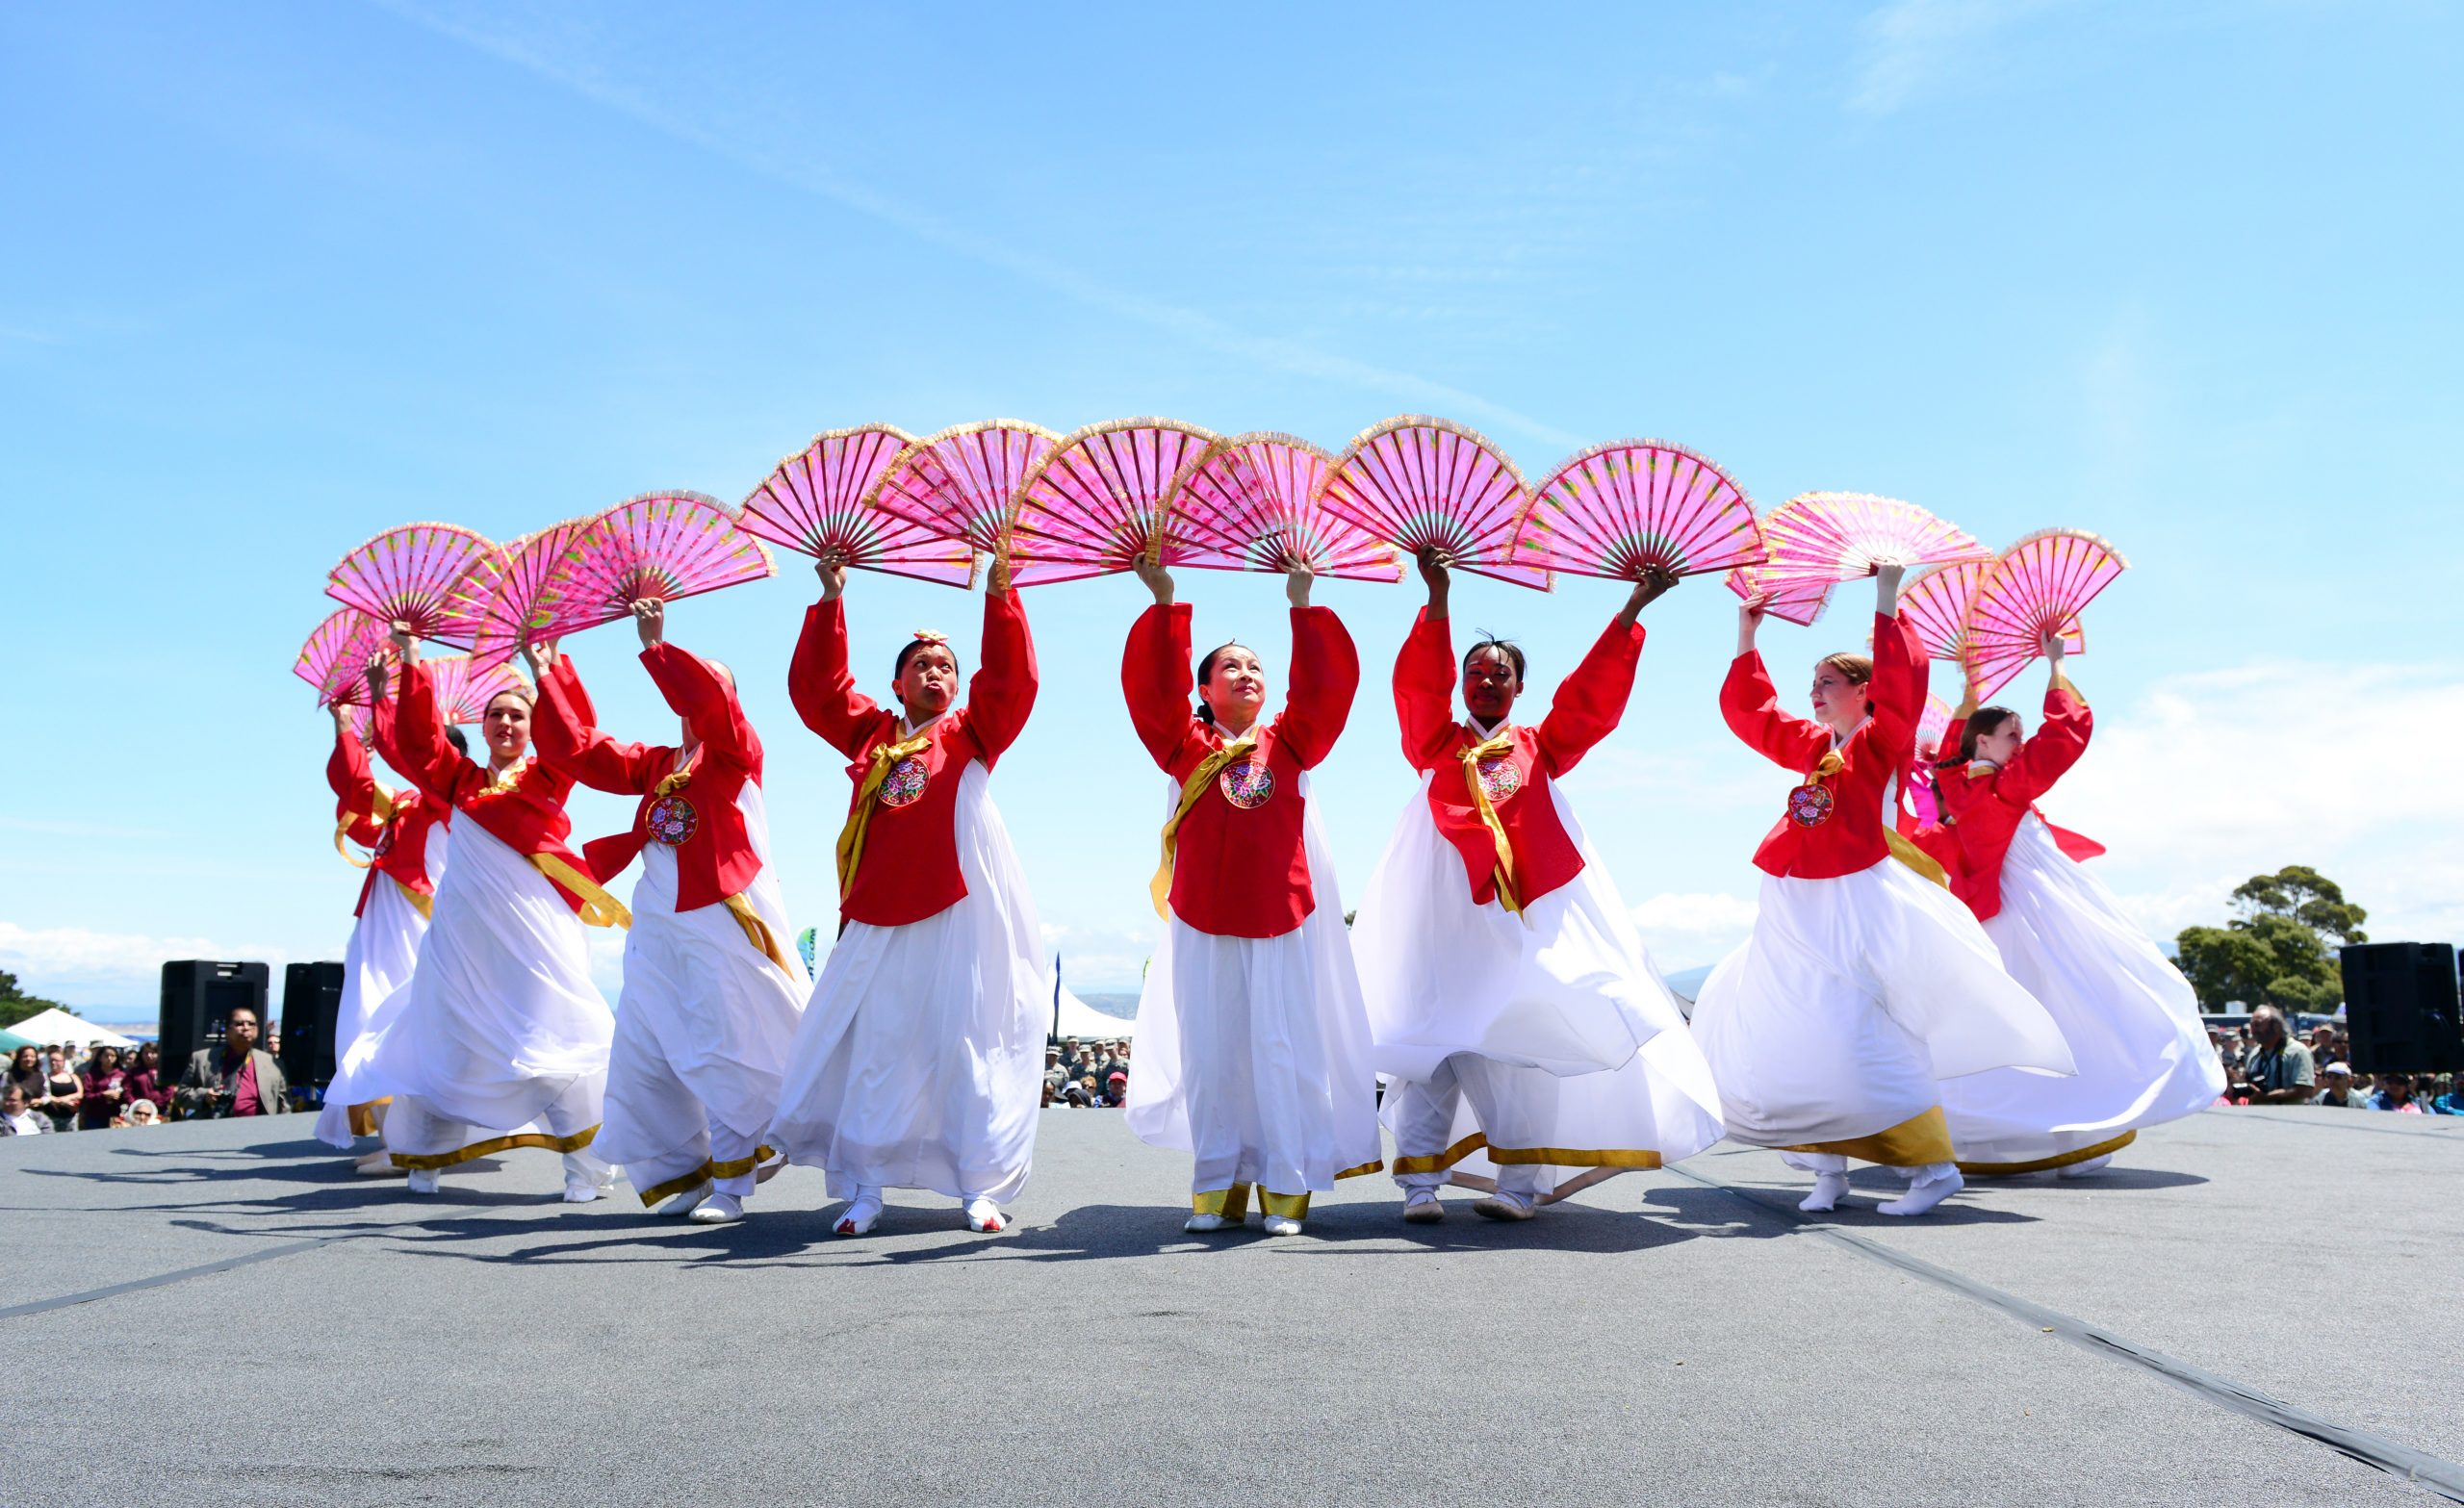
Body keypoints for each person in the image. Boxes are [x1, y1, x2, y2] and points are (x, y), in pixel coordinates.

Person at [1352, 551, 1725, 1223]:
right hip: (1441, 919)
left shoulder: (1540, 748)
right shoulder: (1435, 743)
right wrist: (1438, 598)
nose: (1486, 682)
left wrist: (1632, 610)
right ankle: (1421, 1186)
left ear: (1519, 687)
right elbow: (1417, 688)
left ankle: (1517, 1188)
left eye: (1500, 673)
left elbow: (1589, 702)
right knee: (1429, 1049)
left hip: (1517, 925)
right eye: (1475, 672)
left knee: (1512, 1052)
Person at [1688, 568, 2073, 1216]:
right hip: (1798, 897)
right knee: (1804, 1026)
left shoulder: (1878, 740)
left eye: (1827, 683)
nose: (1814, 692)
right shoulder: (1816, 746)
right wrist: (1748, 634)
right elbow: (1754, 716)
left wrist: (1886, 597)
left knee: (1860, 1029)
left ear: (1864, 692)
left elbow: (1904, 688)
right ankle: (1828, 1170)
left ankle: (1933, 1169)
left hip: (1854, 894)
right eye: (1813, 683)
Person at [771, 552, 1047, 1237]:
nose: (935, 673)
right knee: (878, 1050)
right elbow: (817, 689)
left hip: (958, 908)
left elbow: (1011, 680)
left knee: (965, 1048)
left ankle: (978, 1189)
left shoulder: (973, 732)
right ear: (896, 683)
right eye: (921, 664)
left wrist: (1000, 594)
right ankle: (865, 1189)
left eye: (946, 666)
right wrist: (830, 598)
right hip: (877, 910)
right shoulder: (870, 735)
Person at [1119, 557, 1382, 1238]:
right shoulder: (1184, 745)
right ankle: (1216, 1187)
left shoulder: (1290, 742)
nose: (1246, 674)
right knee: (1213, 1056)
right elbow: (1151, 693)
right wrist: (1165, 602)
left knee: (1282, 1051)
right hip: (1203, 921)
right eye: (1230, 666)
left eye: (1256, 667)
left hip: (1281, 920)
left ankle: (1286, 1188)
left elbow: (1324, 691)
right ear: (1204, 688)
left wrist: (1303, 603)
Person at [531, 598, 806, 1225]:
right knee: (645, 1050)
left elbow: (710, 703)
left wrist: (656, 645)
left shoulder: (738, 752)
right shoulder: (658, 763)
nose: (697, 698)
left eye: (710, 686)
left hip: (721, 916)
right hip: (656, 922)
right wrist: (548, 670)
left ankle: (732, 1186)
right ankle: (681, 1170)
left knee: (722, 1048)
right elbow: (579, 749)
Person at [1926, 636, 2222, 1178]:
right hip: (2028, 912)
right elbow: (2063, 734)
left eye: (2020, 736)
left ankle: (2042, 1133)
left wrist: (1977, 686)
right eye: (2012, 735)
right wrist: (2053, 664)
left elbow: (1966, 746)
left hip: (2001, 913)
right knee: (2064, 1009)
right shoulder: (2003, 785)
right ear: (1984, 742)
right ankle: (2062, 1130)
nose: (2021, 743)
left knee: (2029, 1017)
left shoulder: (1964, 784)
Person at [359, 627, 623, 1201]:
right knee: (448, 1038)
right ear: (481, 726)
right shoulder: (459, 780)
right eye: (496, 715)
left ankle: (586, 1169)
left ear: (533, 728)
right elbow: (418, 743)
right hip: (463, 937)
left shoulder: (549, 775)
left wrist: (547, 670)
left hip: (534, 933)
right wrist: (411, 659)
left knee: (553, 1041)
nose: (506, 723)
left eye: (518, 716)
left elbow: (575, 733)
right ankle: (426, 1159)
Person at [313, 670, 454, 1171]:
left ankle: (420, 1139)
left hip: (423, 927)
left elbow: (408, 756)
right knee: (363, 1022)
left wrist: (383, 704)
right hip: (380, 928)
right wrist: (345, 727)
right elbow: (355, 791)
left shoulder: (451, 800)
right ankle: (398, 1139)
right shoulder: (402, 807)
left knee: (416, 1027)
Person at [174, 1006, 289, 1118]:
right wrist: (205, 1096)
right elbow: (180, 1096)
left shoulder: (273, 1064)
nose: (246, 1028)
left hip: (259, 1128)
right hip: (213, 1127)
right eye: (239, 1024)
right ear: (227, 1030)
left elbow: (285, 1107)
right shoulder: (201, 1059)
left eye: (251, 1024)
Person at [2239, 1005, 2316, 1106]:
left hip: (2289, 1114)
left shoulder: (2297, 1052)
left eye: (2258, 1024)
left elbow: (2305, 1090)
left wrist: (2267, 1097)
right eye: (2252, 1025)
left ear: (2276, 1027)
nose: (2253, 1030)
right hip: (2257, 1114)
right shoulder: (2255, 1054)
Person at [77, 1044, 127, 1132]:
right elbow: (86, 1096)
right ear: (100, 1058)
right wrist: (103, 1095)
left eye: (113, 1056)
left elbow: (127, 1092)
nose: (109, 1058)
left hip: (115, 1116)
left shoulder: (122, 1075)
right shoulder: (91, 1075)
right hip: (95, 1116)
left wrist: (119, 1094)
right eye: (106, 1055)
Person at [122, 1040, 171, 1119]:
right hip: (137, 1112)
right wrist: (137, 1106)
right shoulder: (133, 1072)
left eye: (153, 1053)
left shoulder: (164, 1071)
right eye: (146, 1053)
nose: (149, 1055)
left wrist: (155, 1106)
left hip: (160, 1111)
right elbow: (127, 1091)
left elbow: (169, 1091)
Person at [38, 1049, 82, 1132]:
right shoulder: (45, 1077)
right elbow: (45, 1095)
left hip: (71, 1119)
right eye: (51, 1060)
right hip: (52, 1118)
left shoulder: (73, 1077)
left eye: (56, 1060)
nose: (53, 1063)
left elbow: (80, 1094)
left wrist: (65, 1099)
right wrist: (63, 1102)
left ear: (63, 1062)